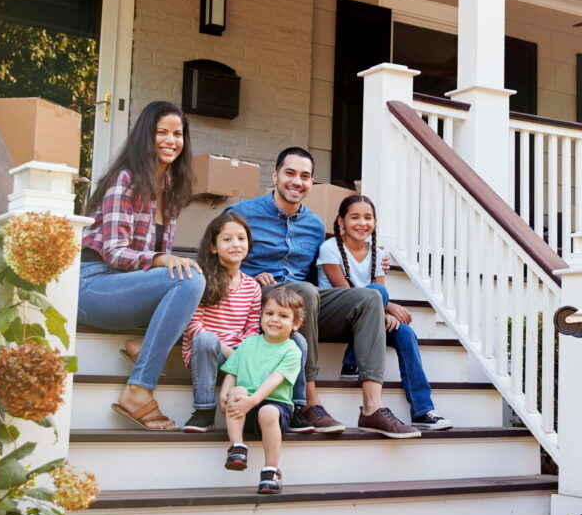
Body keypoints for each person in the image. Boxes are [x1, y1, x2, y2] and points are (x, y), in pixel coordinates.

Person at [228, 147, 420, 439]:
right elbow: (217, 259)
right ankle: (308, 402)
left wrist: (383, 290)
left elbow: (315, 276)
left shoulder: (314, 225)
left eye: (305, 176)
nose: (297, 181)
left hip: (305, 301)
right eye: (290, 173)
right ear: (275, 175)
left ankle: (371, 408)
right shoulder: (242, 213)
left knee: (369, 297)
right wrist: (252, 276)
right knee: (305, 291)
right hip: (262, 298)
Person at [78, 101, 205, 431]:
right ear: (145, 138)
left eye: (177, 134)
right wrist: (161, 259)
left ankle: (144, 345)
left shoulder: (170, 188)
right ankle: (138, 390)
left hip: (127, 287)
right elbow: (114, 252)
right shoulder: (126, 179)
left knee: (200, 279)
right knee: (188, 280)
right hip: (93, 285)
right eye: (161, 132)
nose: (170, 140)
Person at [317, 195, 452, 430]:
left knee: (405, 333)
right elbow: (349, 295)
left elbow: (379, 297)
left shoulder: (378, 254)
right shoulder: (330, 250)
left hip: (366, 324)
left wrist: (386, 311)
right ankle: (351, 361)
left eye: (368, 217)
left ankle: (422, 409)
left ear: (375, 222)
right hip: (337, 318)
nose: (362, 223)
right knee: (377, 291)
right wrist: (386, 308)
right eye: (354, 217)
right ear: (341, 222)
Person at [179, 211, 309, 433]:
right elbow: (193, 327)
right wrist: (234, 355)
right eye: (227, 239)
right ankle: (204, 411)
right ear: (213, 246)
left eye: (241, 238)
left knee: (296, 341)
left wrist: (244, 355)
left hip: (244, 353)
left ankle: (294, 407)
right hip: (210, 352)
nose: (235, 244)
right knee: (206, 338)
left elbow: (251, 330)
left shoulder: (252, 286)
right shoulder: (201, 279)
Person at [220, 286, 304, 494]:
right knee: (237, 391)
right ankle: (237, 447)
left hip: (275, 407)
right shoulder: (249, 344)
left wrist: (254, 400)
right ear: (261, 317)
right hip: (245, 409)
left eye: (283, 316)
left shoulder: (291, 350)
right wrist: (224, 393)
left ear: (296, 324)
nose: (274, 319)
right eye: (269, 313)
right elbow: (233, 372)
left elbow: (275, 379)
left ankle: (271, 471)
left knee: (267, 411)